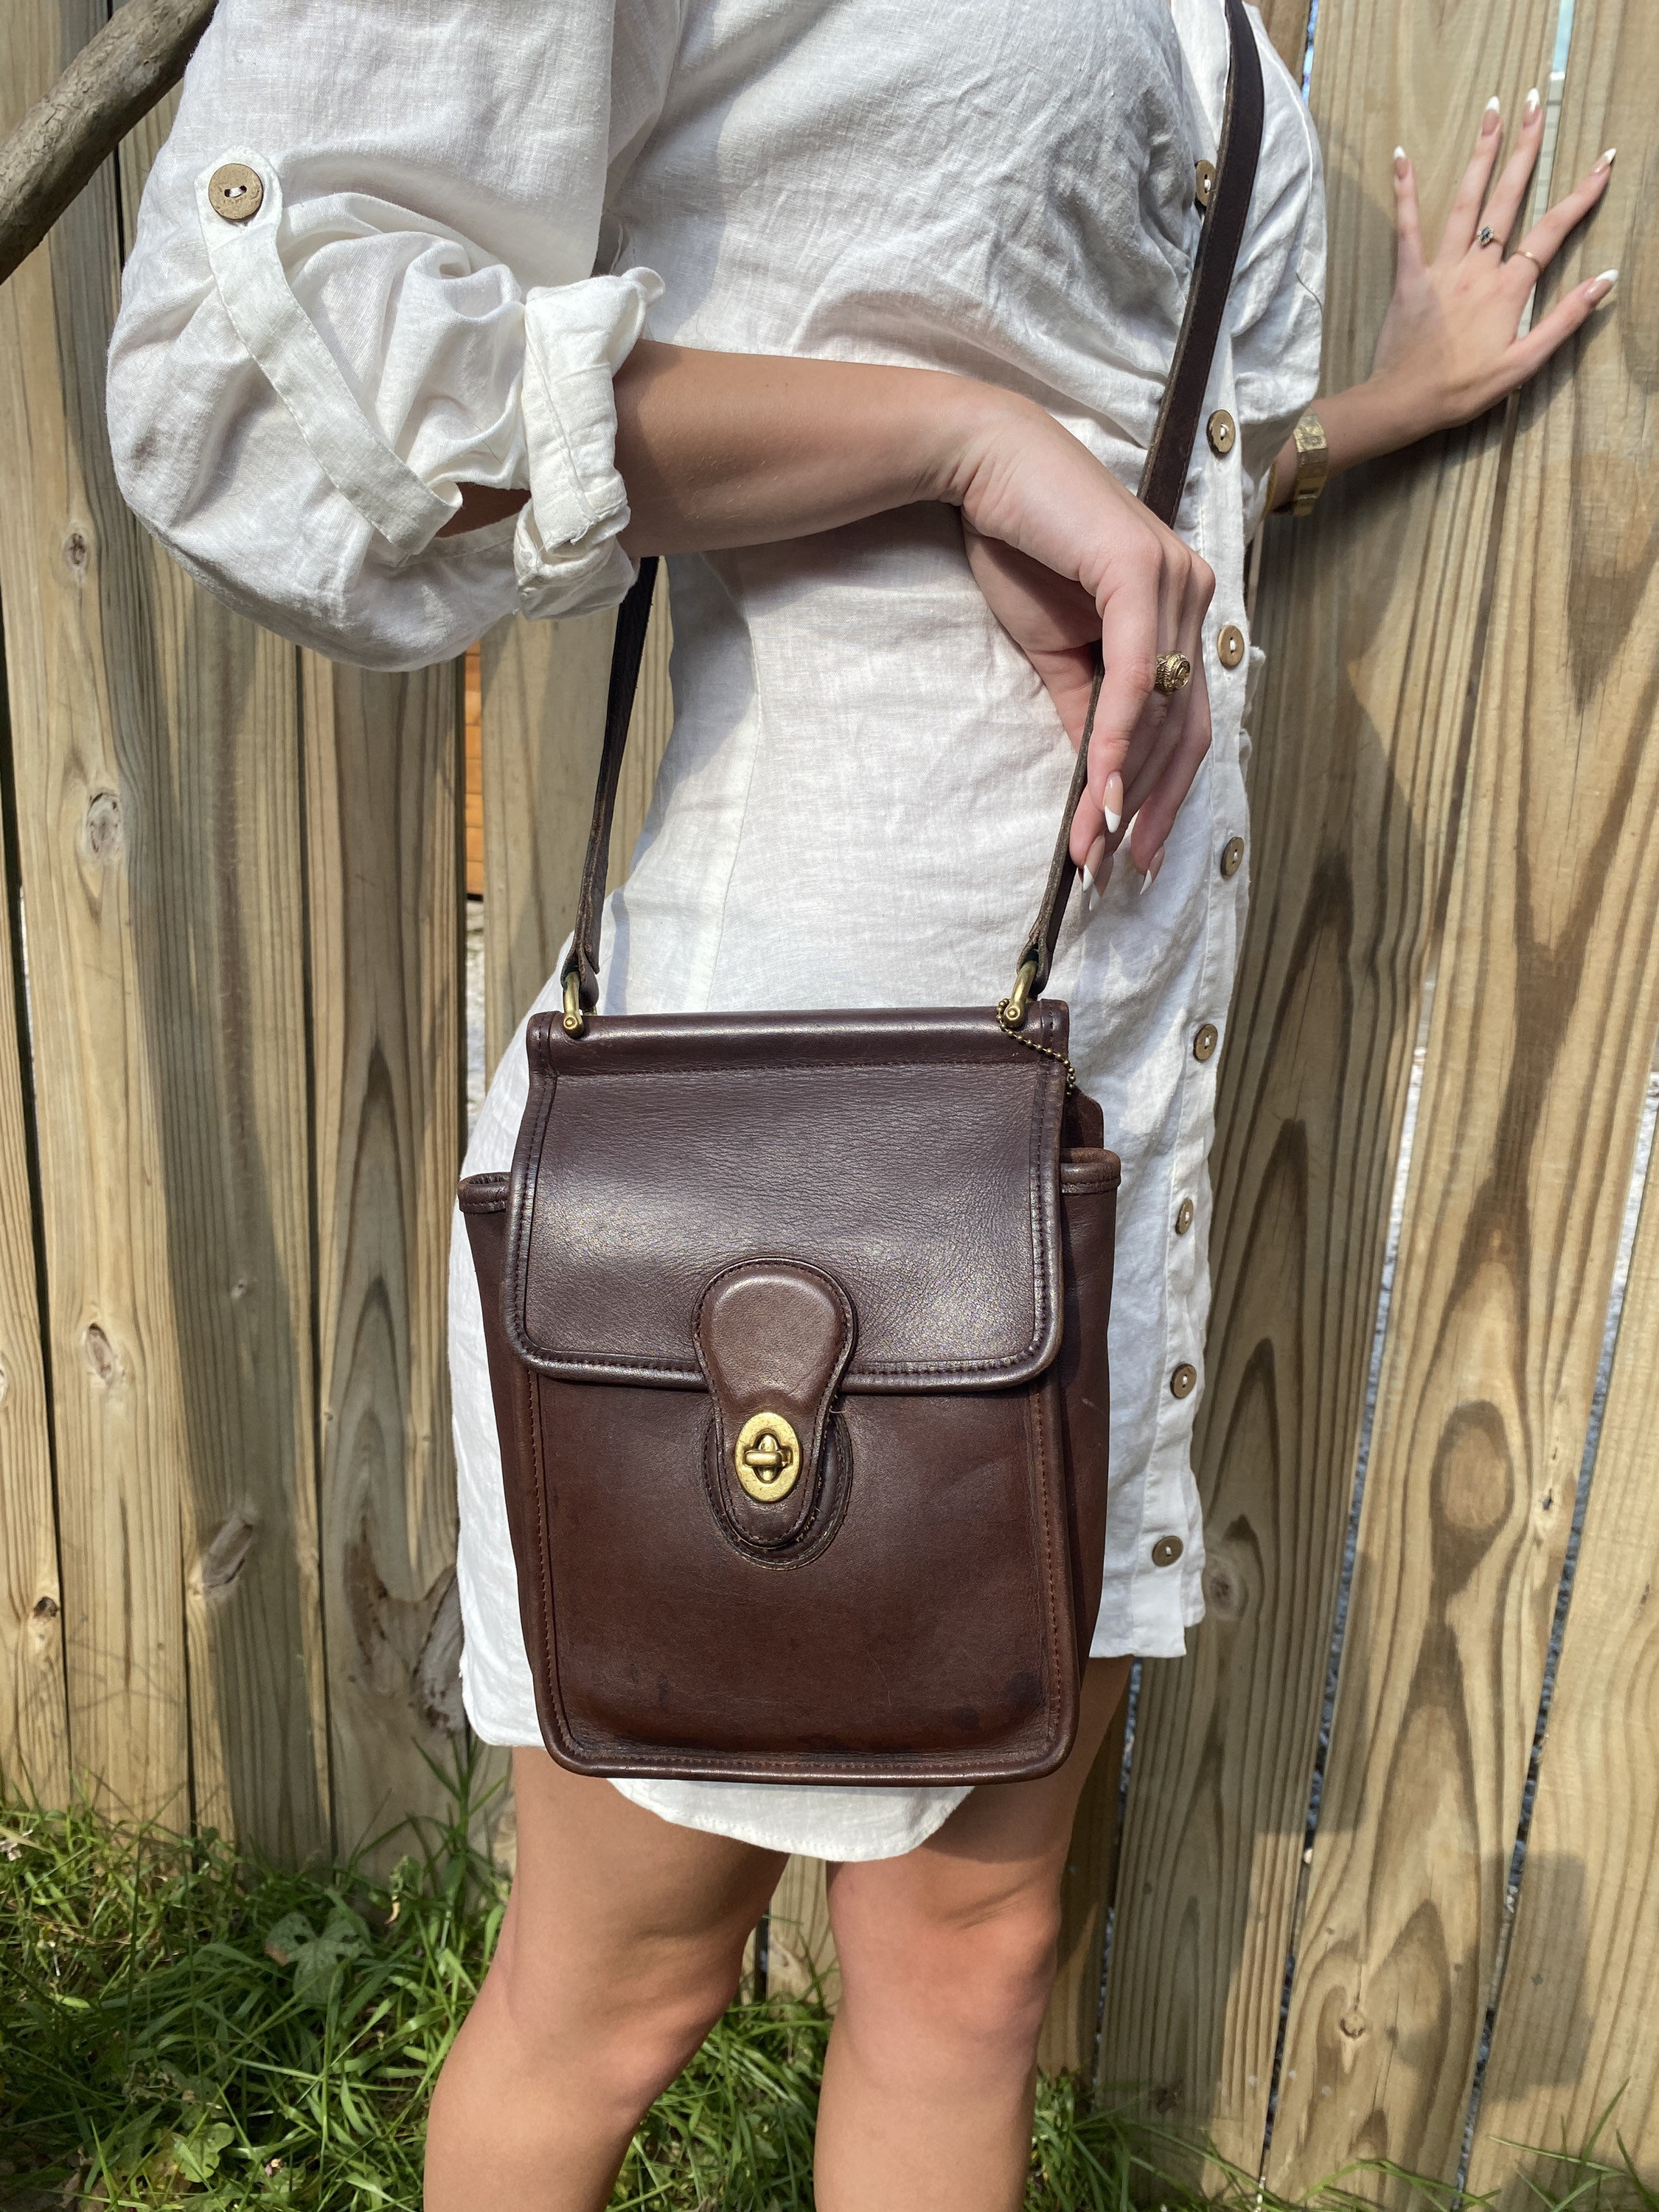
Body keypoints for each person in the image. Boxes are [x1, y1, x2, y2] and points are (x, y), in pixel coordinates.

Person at [106, 1, 1615, 2202]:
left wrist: (1350, 407)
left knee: (978, 1963)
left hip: (1096, 1135)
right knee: (624, 1986)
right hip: (766, 1163)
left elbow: (1090, 454)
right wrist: (945, 436)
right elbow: (253, 367)